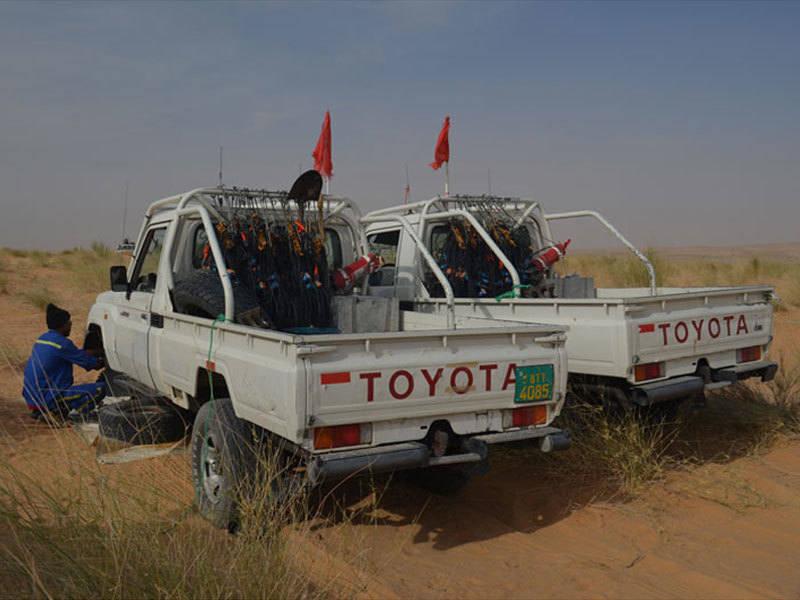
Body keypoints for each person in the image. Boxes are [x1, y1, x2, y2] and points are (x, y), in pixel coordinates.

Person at [22, 303, 107, 422]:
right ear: (61, 326)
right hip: (47, 398)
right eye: (68, 322)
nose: (71, 324)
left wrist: (94, 352)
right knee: (101, 389)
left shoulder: (43, 339)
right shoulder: (63, 344)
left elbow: (74, 354)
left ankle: (43, 411)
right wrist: (109, 358)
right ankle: (62, 414)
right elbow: (95, 365)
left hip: (32, 398)